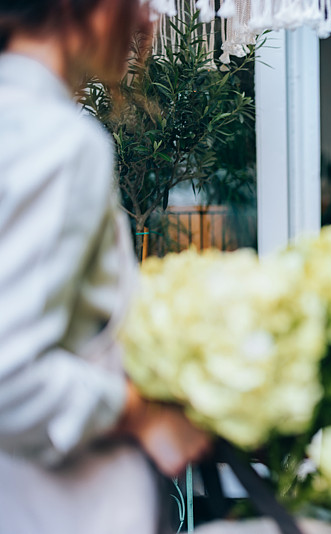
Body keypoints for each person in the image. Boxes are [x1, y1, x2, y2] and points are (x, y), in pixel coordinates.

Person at [0, 1, 211, 533]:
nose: (148, 23)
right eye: (141, 0)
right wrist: (139, 413)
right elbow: (9, 377)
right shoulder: (58, 142)